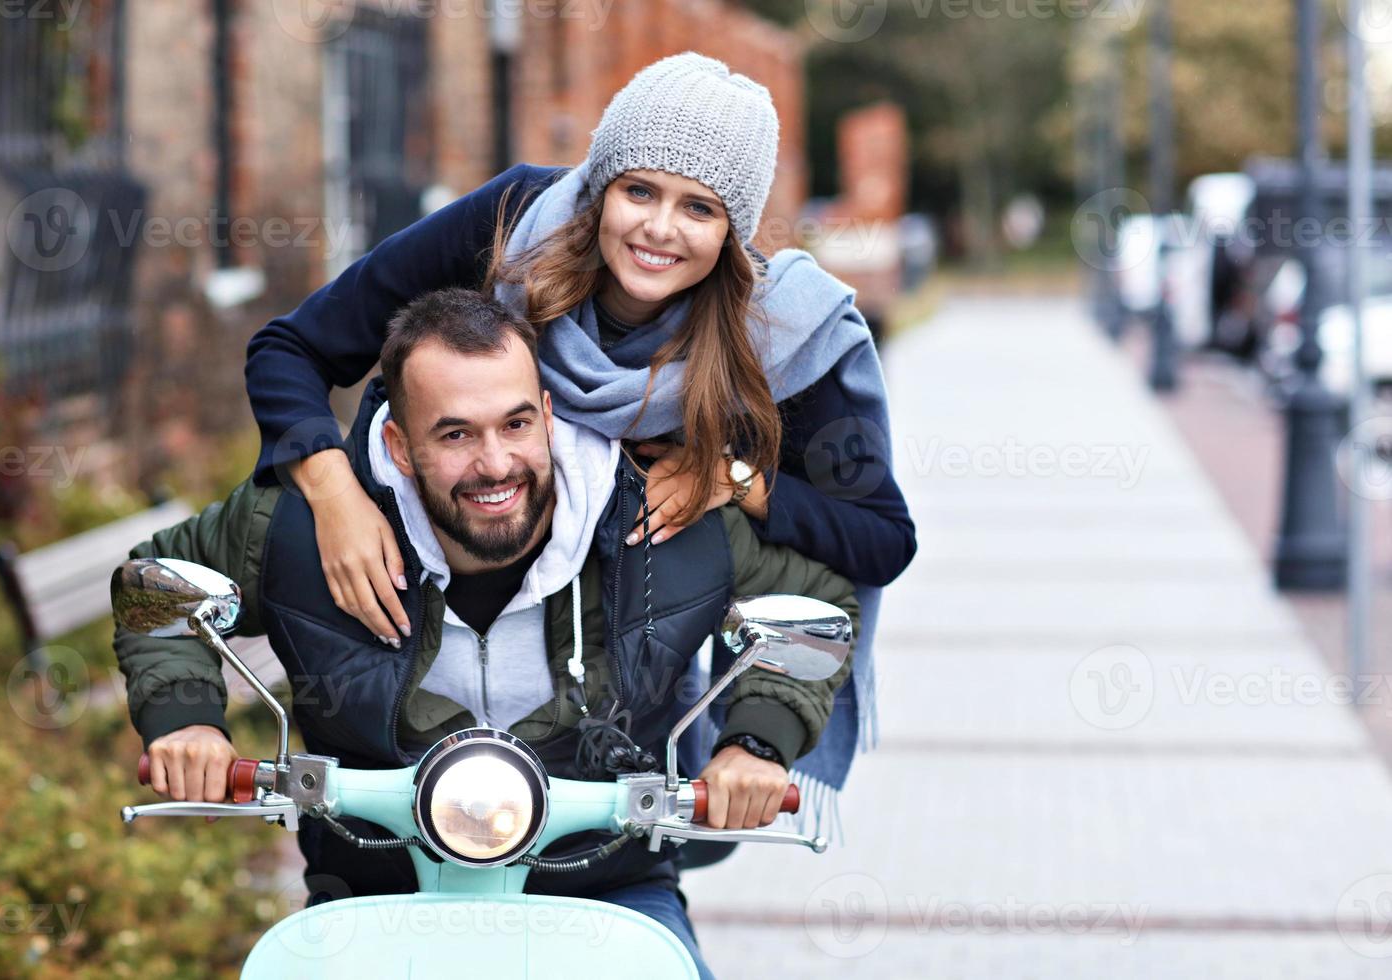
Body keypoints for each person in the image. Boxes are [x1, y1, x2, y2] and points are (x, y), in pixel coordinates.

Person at [114, 289, 859, 978]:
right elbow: (159, 580)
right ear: (401, 448)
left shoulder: (664, 520)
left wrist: (754, 744)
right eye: (455, 435)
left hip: (605, 888)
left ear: (547, 411)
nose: (496, 463)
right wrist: (189, 724)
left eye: (515, 424)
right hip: (375, 898)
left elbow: (812, 596)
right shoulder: (304, 528)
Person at [244, 51, 915, 818]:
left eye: (699, 208)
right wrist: (334, 495)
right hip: (423, 671)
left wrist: (735, 480)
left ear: (734, 230)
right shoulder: (509, 227)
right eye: (638, 191)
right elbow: (290, 349)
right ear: (601, 186)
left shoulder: (780, 334)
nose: (659, 229)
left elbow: (880, 538)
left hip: (623, 705)